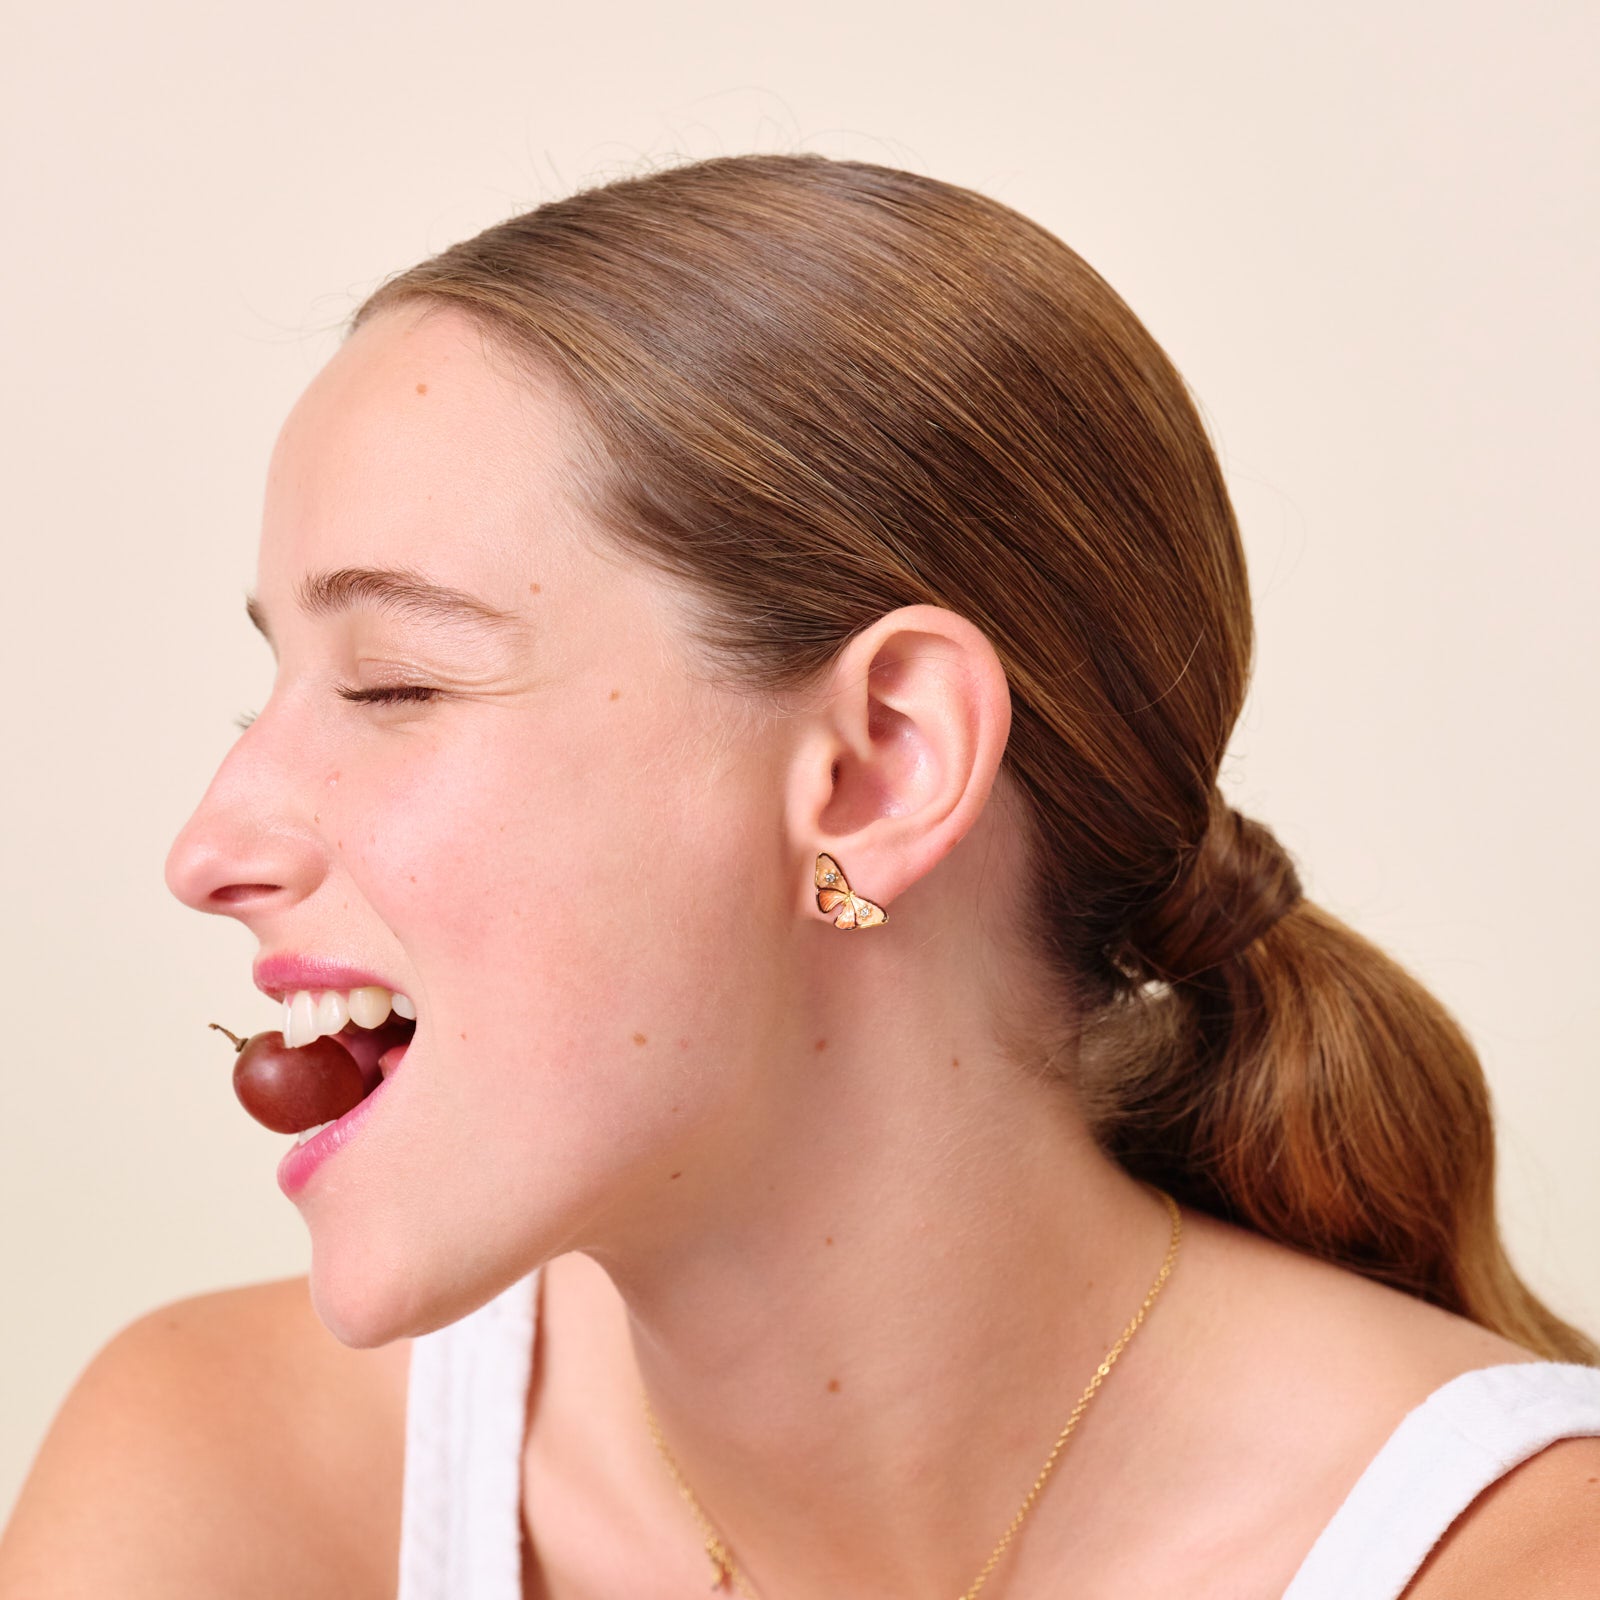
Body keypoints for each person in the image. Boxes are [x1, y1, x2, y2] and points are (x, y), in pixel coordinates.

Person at [2, 152, 1596, 1600]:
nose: (210, 850)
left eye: (397, 685)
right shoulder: (225, 1483)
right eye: (269, 689)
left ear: (879, 765)